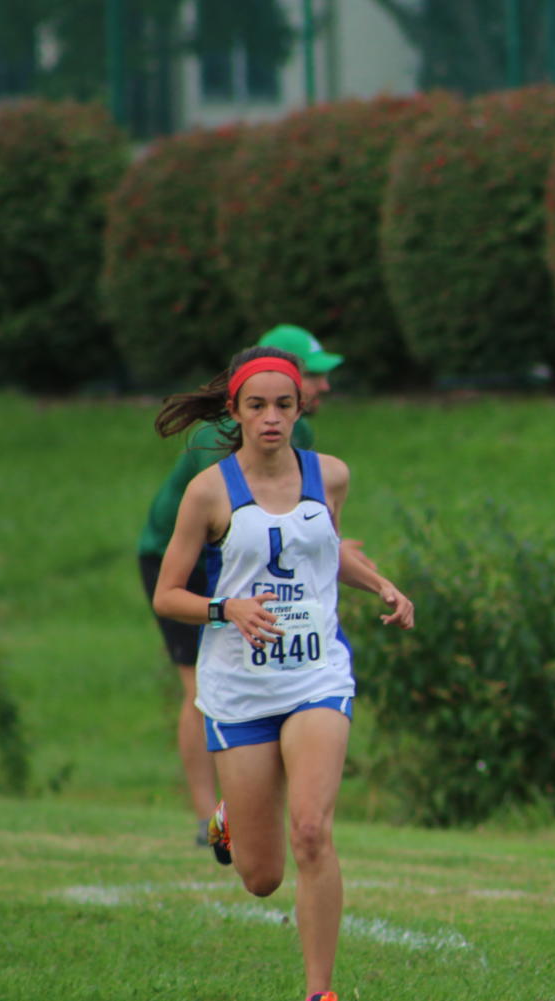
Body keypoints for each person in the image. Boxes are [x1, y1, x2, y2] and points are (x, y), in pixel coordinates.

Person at [152, 345, 413, 1001]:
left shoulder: (330, 475)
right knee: (260, 876)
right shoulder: (207, 490)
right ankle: (228, 820)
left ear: (301, 409)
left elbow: (322, 552)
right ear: (235, 412)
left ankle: (319, 991)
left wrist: (381, 583)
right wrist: (225, 607)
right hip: (239, 689)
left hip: (315, 677)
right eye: (258, 406)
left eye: (284, 405)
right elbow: (167, 594)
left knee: (311, 831)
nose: (272, 418)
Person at [138, 324, 344, 846]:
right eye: (317, 375)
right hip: (184, 560)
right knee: (198, 688)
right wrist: (226, 607)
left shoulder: (306, 442)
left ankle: (245, 802)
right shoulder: (217, 452)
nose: (323, 387)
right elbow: (231, 523)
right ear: (239, 408)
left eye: (305, 389)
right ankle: (212, 816)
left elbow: (288, 524)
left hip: (253, 574)